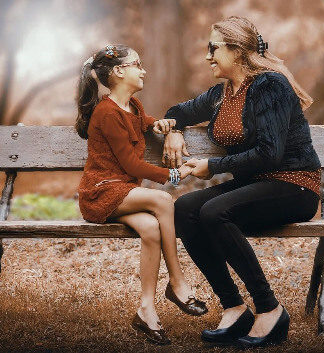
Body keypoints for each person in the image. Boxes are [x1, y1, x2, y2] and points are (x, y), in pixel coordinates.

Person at [162, 17, 321, 349]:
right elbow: (179, 110)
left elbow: (270, 154)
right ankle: (234, 307)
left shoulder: (269, 86)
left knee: (214, 211)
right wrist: (175, 131)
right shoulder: (222, 93)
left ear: (235, 51)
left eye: (213, 48)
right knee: (186, 208)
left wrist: (212, 166)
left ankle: (269, 308)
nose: (208, 56)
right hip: (256, 185)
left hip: (293, 184)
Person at [75, 45, 207, 345]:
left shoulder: (132, 105)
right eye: (138, 64)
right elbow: (132, 165)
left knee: (150, 228)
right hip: (100, 192)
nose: (143, 69)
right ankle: (177, 283)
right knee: (162, 200)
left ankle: (146, 310)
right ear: (119, 72)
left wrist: (166, 126)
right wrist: (178, 174)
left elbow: (145, 122)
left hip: (123, 191)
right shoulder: (106, 112)